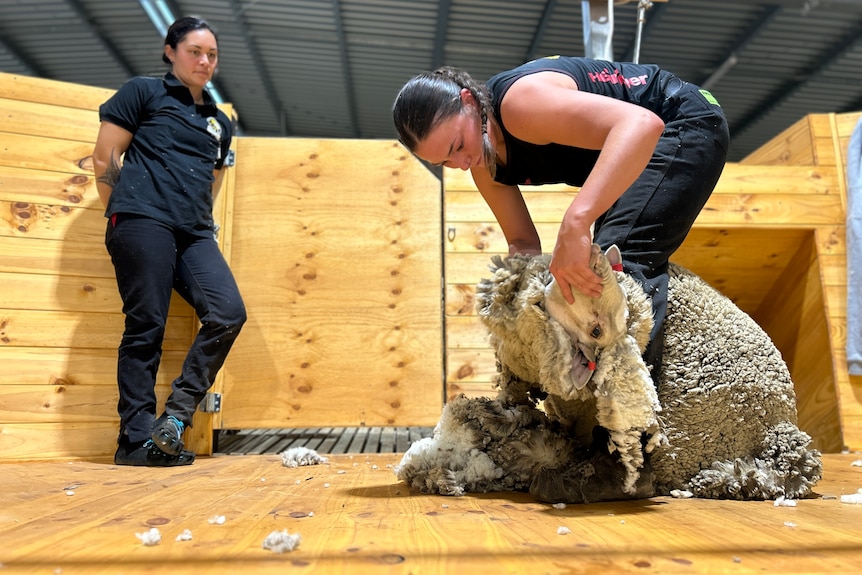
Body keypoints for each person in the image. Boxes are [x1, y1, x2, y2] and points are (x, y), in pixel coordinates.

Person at [393, 55, 729, 382]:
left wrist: (576, 222)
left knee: (622, 261)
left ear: (468, 101)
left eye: (457, 145)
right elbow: (522, 244)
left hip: (682, 119)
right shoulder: (484, 164)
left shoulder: (519, 104)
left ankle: (635, 419)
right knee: (591, 267)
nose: (463, 163)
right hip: (641, 146)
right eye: (446, 163)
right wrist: (521, 308)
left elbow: (641, 124)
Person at [92, 16, 246, 466]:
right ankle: (134, 441)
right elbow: (106, 155)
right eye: (195, 51)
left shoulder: (219, 122)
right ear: (171, 51)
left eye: (212, 54)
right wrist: (122, 210)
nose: (204, 61)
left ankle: (174, 419)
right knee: (146, 326)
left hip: (194, 231)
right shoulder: (143, 92)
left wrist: (199, 217)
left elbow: (214, 179)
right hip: (142, 220)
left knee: (227, 313)